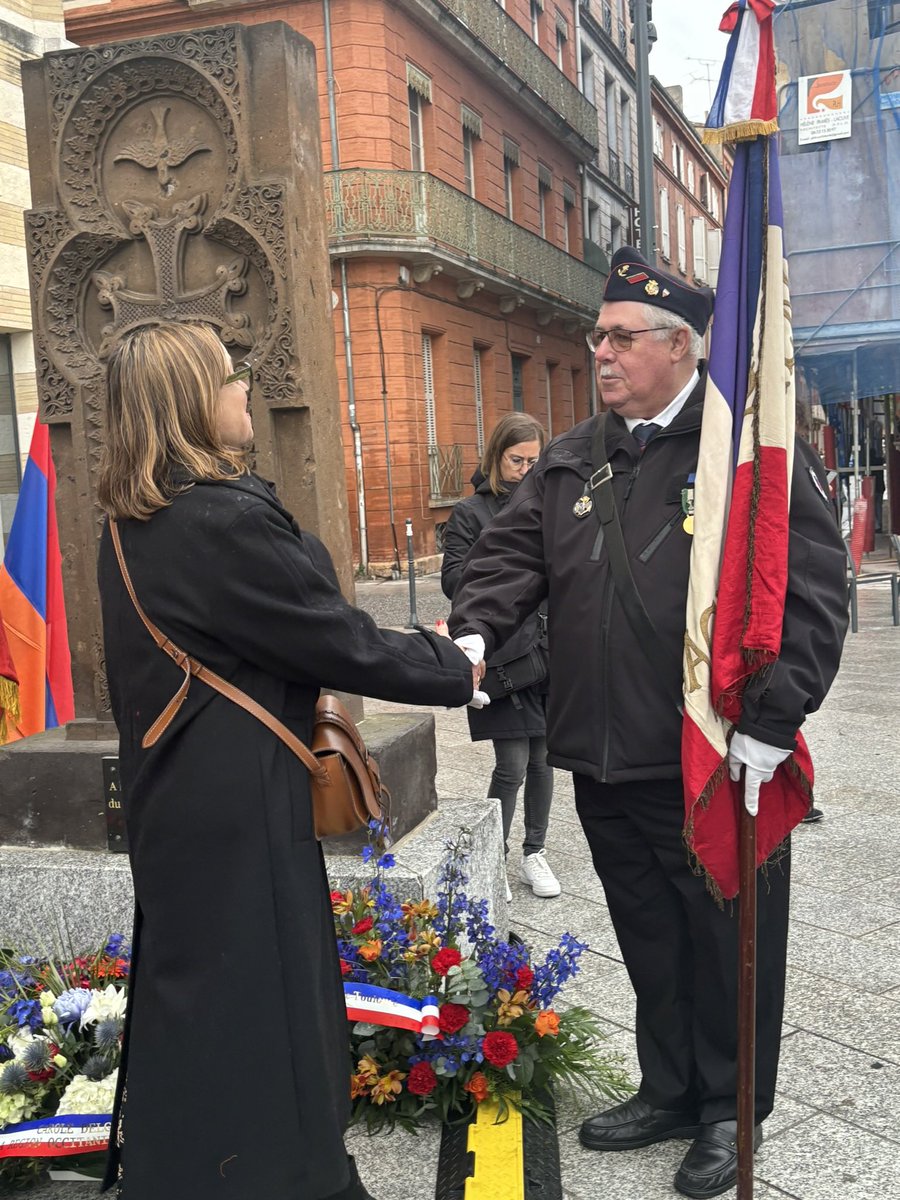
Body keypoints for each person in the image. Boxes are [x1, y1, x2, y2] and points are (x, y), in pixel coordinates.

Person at [449, 248, 848, 1199]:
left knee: (726, 944)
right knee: (650, 937)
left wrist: (773, 720)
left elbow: (814, 593)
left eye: (621, 336)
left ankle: (728, 1110)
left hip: (709, 757)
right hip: (601, 755)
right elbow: (507, 563)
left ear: (679, 346)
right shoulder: (574, 456)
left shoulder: (739, 447)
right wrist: (468, 638)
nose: (602, 352)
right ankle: (670, 1088)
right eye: (598, 335)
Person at [95, 322, 477, 1200]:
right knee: (269, 1005)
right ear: (193, 400)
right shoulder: (218, 519)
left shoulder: (134, 520)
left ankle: (186, 1167)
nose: (245, 390)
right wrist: (453, 667)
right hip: (242, 809)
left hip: (180, 801)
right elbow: (331, 634)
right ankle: (297, 1175)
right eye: (232, 377)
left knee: (199, 998)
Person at [442, 414, 559, 900]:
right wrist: (499, 563)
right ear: (496, 457)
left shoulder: (549, 505)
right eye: (517, 460)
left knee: (544, 759)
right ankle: (496, 856)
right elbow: (454, 582)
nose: (526, 470)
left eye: (534, 461)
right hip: (502, 655)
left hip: (548, 652)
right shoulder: (470, 512)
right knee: (511, 763)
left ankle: (535, 851)